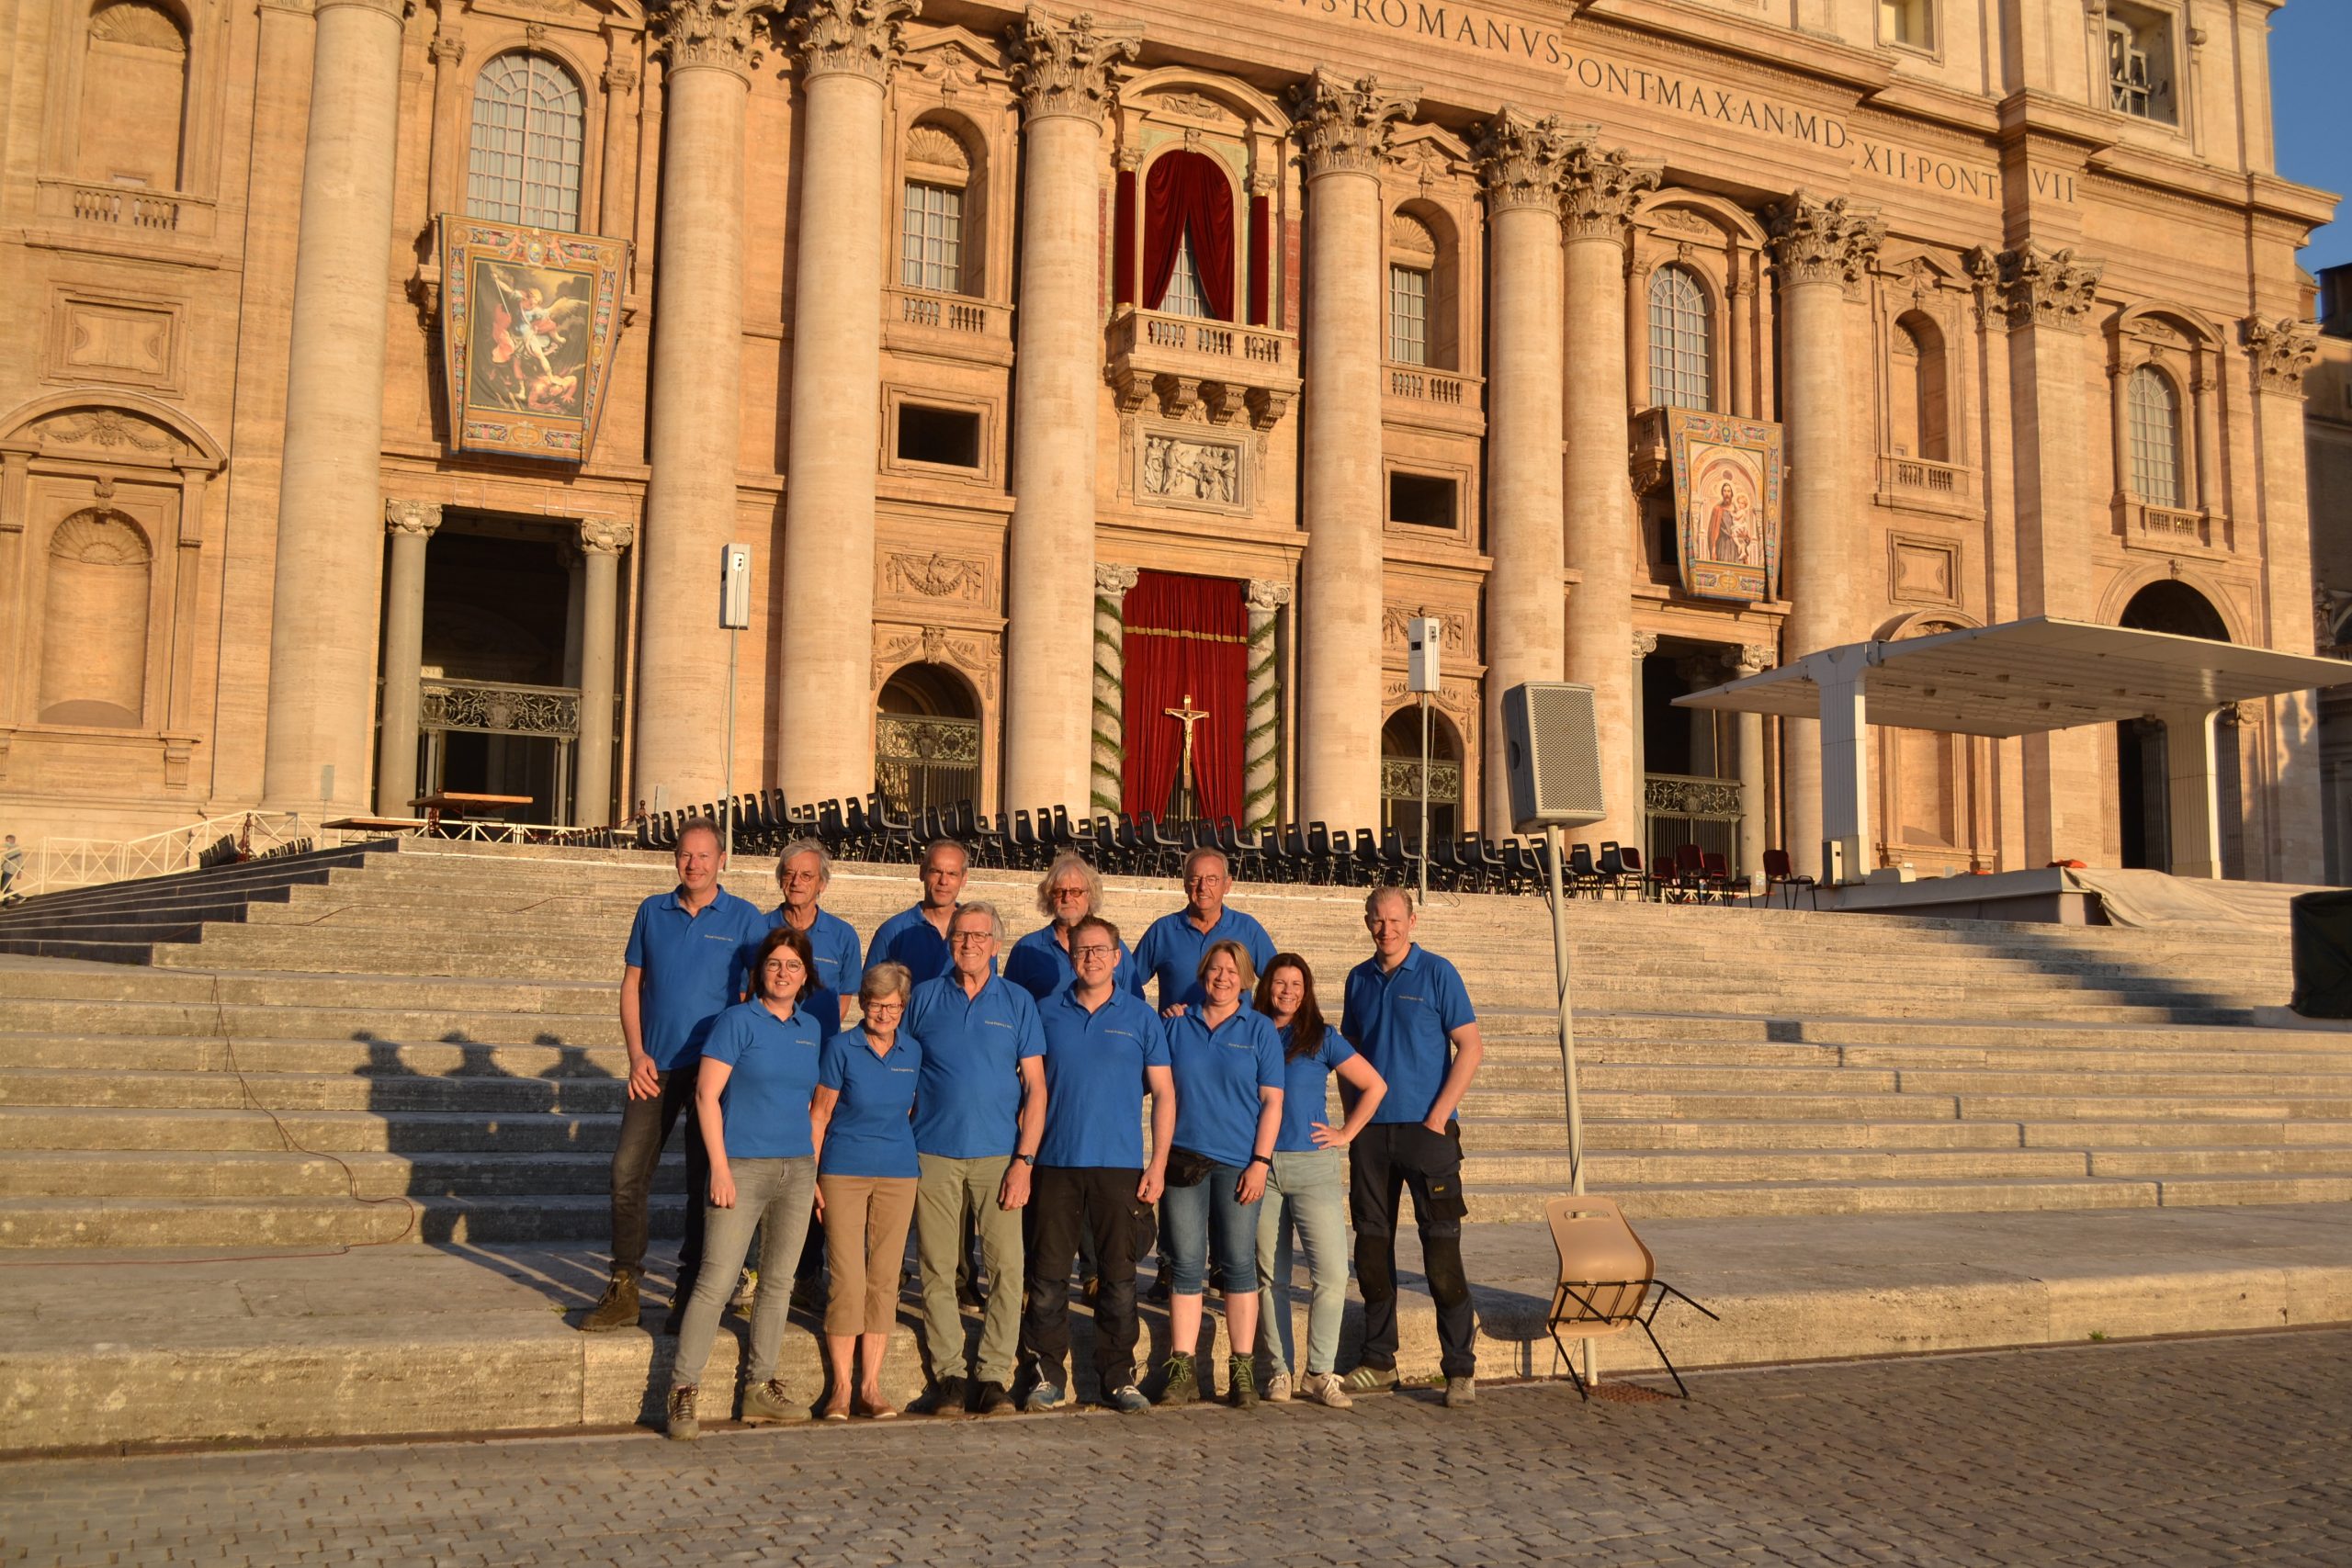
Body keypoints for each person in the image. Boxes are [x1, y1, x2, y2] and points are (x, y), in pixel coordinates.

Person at [582, 818, 768, 1336]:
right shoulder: (652, 912)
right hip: (656, 1067)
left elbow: (763, 989)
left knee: (702, 1180)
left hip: (713, 1070)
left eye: (705, 856)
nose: (694, 864)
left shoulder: (745, 918)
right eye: (686, 855)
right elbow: (631, 985)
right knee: (626, 1172)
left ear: (722, 861)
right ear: (676, 859)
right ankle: (624, 1286)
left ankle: (692, 1288)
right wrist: (636, 1053)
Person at [665, 925, 827, 1440]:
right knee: (715, 1282)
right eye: (775, 964)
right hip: (741, 1167)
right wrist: (719, 1167)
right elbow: (707, 1097)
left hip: (796, 1169)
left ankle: (759, 1386)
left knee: (778, 1284)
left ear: (806, 976)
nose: (783, 973)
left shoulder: (810, 1028)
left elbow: (809, 1106)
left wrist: (813, 1173)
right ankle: (683, 1391)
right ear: (760, 971)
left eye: (793, 966)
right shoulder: (737, 1022)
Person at [1020, 914, 1173, 1415]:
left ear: (1116, 956)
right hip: (1054, 1162)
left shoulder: (1141, 1016)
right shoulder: (1044, 1012)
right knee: (1047, 1276)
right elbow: (1026, 1088)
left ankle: (1117, 1375)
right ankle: (1046, 1373)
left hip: (1119, 1166)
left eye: (1099, 950)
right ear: (1071, 957)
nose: (1090, 959)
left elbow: (1166, 1095)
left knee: (1118, 1276)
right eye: (1081, 951)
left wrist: (1158, 1164)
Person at [1340, 886, 1484, 1407]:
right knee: (1372, 1250)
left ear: (1412, 920)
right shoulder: (1358, 979)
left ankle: (1460, 1369)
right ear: (1367, 922)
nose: (1386, 929)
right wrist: (1352, 1124)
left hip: (1429, 1134)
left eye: (1395, 919)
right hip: (1373, 1137)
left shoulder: (1438, 972)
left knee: (1441, 1251)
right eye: (1377, 920)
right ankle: (1379, 1360)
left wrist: (1438, 1116)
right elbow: (1347, 1055)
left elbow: (1470, 1046)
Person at [904, 902, 1046, 1417]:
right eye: (961, 935)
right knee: (938, 1267)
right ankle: (950, 1376)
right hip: (933, 1152)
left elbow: (1036, 1088)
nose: (969, 944)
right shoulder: (923, 998)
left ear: (996, 944)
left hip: (998, 1158)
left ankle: (992, 1375)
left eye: (979, 936)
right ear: (950, 941)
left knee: (1008, 1268)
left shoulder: (1017, 1002)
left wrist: (1024, 1160)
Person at [1252, 953, 1386, 1408]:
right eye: (1279, 983)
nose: (1287, 991)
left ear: (1306, 990)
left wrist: (1346, 1132)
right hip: (1261, 1168)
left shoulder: (1322, 1038)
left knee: (1330, 1274)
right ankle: (1278, 1372)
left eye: (1296, 984)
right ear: (1266, 986)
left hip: (1314, 1166)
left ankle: (1319, 1372)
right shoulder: (1248, 1030)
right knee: (1270, 1276)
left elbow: (1374, 1085)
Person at [1155, 941, 1283, 1411]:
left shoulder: (1261, 1030)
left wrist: (1260, 1162)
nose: (1223, 977)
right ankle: (1182, 1367)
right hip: (1183, 1159)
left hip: (1238, 1163)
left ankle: (1242, 1369)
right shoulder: (1175, 1024)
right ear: (1202, 973)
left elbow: (1272, 1102)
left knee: (1238, 1265)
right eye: (1214, 969)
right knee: (1186, 1264)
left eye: (1232, 971)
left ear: (1246, 979)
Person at [810, 963, 922, 1419]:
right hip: (843, 1171)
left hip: (898, 1173)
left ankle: (871, 1387)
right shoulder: (841, 1047)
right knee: (846, 1278)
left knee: (884, 1279)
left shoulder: (913, 1051)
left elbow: (910, 1109)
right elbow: (819, 1113)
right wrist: (813, 1178)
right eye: (877, 1005)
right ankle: (840, 1387)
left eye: (894, 1006)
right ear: (863, 1004)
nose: (885, 1014)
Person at [1133, 846, 1277, 1013]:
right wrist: (1146, 1022)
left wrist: (1256, 1022)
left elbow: (1278, 981)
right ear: (1185, 885)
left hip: (1234, 1036)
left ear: (1227, 885)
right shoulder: (1162, 931)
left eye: (1212, 879)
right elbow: (1127, 983)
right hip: (1176, 1034)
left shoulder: (1248, 929)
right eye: (1195, 879)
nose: (1203, 887)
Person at [1003, 851, 1141, 1001]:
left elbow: (1135, 1005)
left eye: (1075, 891)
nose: (1067, 898)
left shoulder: (1112, 947)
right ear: (1049, 897)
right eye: (1059, 891)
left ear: (1089, 895)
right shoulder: (1027, 950)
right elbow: (1009, 1007)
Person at [768, 839, 861, 1031]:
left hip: (821, 1046)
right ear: (780, 879)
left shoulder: (843, 935)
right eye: (789, 874)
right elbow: (745, 991)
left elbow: (843, 998)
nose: (796, 882)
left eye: (806, 876)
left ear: (822, 884)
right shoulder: (758, 929)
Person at [865, 838, 969, 987]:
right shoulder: (892, 931)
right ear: (922, 873)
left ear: (964, 878)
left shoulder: (979, 936)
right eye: (936, 871)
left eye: (952, 874)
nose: (943, 881)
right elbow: (869, 992)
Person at [0, 834, 22, 903]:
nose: (6, 842)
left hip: (10, 871)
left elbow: (20, 861)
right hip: (5, 870)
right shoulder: (10, 849)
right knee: (3, 888)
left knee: (5, 888)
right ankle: (6, 903)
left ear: (12, 840)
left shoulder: (15, 848)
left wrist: (19, 872)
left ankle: (20, 897)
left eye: (7, 840)